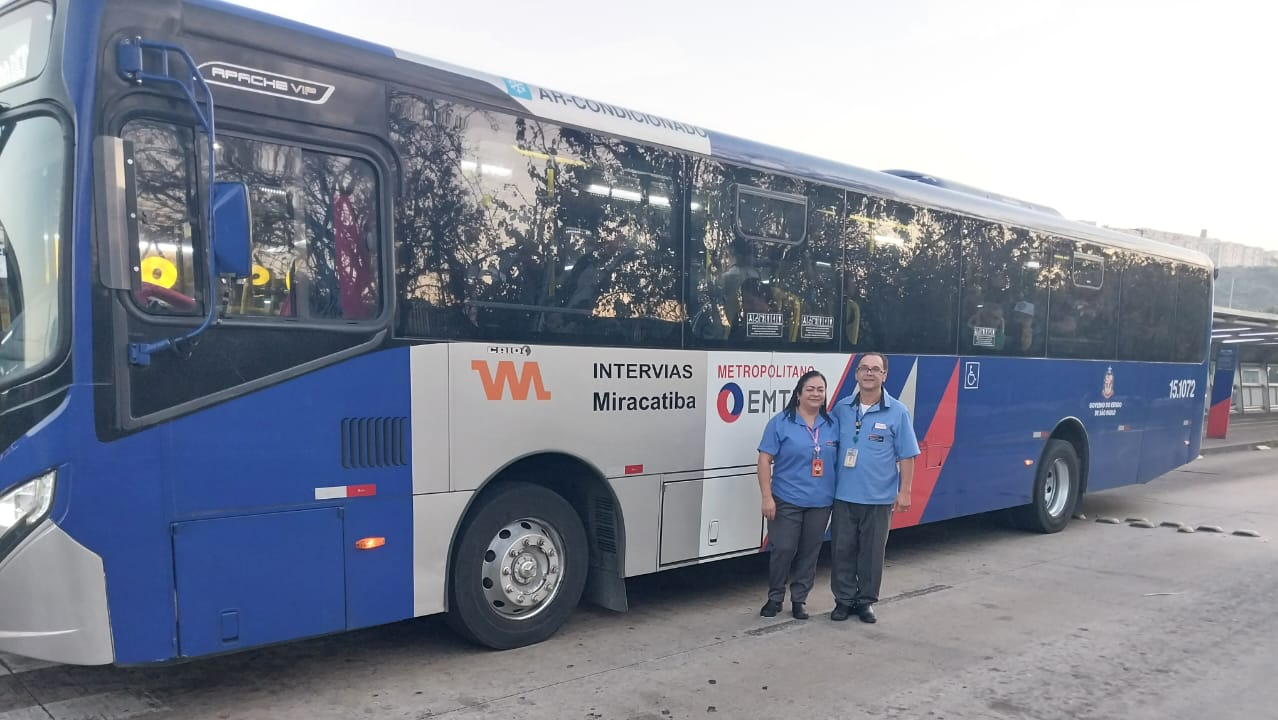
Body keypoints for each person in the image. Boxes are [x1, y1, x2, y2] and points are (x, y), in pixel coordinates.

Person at [829, 352, 920, 623]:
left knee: (871, 553)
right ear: (856, 374)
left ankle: (865, 601)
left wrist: (905, 492)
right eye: (864, 369)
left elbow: (907, 455)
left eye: (875, 370)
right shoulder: (842, 409)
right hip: (844, 495)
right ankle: (843, 601)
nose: (869, 374)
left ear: (884, 376)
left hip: (879, 498)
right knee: (842, 550)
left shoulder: (898, 412)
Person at [756, 370, 839, 620]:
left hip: (821, 501)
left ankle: (799, 600)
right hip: (786, 499)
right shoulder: (781, 423)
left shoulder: (833, 424)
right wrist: (767, 497)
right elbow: (764, 459)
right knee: (783, 548)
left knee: (810, 551)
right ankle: (775, 598)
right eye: (810, 389)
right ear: (798, 394)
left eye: (820, 390)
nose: (815, 394)